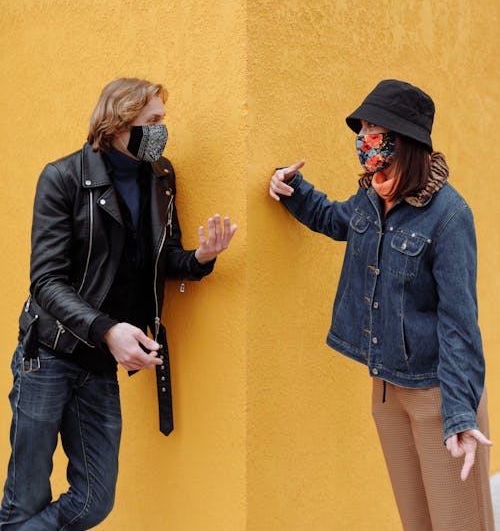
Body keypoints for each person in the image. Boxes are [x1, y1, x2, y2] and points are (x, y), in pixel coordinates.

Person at [0, 77, 237, 531]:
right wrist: (108, 329)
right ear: (118, 123)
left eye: (162, 121)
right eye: (152, 121)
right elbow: (46, 281)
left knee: (94, 500)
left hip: (98, 363)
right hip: (47, 354)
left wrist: (201, 259)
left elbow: (160, 257)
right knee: (27, 494)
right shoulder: (63, 177)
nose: (161, 131)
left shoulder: (161, 176)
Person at [269, 79, 494, 531]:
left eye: (376, 130)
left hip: (437, 393)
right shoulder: (372, 197)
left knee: (459, 523)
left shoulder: (450, 216)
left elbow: (459, 324)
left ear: (405, 141)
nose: (364, 140)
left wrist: (460, 415)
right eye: (363, 129)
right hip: (387, 393)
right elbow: (336, 220)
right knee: (418, 522)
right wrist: (291, 189)